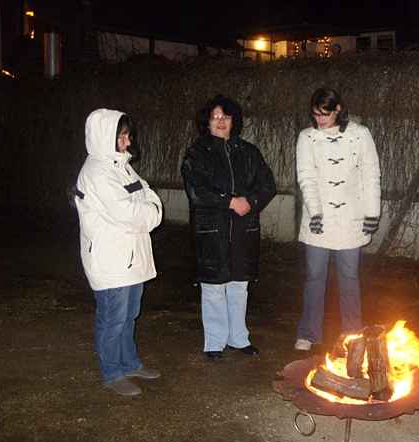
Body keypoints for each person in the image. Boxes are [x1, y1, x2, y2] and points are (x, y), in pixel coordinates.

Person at [75, 109, 163, 396]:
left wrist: (147, 208)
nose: (127, 142)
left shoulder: (120, 166)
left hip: (131, 255)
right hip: (111, 259)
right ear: (105, 137)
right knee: (113, 318)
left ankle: (129, 363)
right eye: (121, 136)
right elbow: (127, 211)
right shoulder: (97, 172)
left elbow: (147, 194)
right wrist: (150, 211)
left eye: (127, 135)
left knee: (129, 315)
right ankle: (112, 373)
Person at [182, 94, 276, 361]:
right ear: (207, 122)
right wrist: (229, 202)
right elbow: (196, 191)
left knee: (238, 286)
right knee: (213, 287)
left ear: (234, 120)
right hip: (212, 230)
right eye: (215, 117)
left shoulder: (249, 152)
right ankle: (214, 341)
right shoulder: (197, 154)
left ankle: (238, 337)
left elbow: (268, 185)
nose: (221, 121)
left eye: (226, 116)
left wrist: (252, 202)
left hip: (244, 229)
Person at [294, 87, 381, 351]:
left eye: (325, 114)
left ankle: (352, 334)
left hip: (351, 218)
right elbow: (306, 177)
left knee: (349, 276)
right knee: (314, 276)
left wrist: (372, 212)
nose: (320, 120)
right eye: (316, 114)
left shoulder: (360, 135)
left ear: (338, 110)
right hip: (318, 219)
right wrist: (315, 210)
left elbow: (371, 175)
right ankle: (309, 333)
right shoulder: (306, 138)